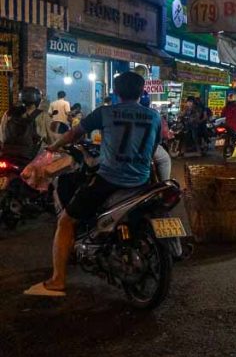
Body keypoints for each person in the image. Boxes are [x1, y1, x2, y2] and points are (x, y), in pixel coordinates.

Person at [24, 72, 161, 297]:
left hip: (110, 179)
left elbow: (73, 134)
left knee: (66, 221)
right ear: (141, 91)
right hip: (142, 181)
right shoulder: (154, 117)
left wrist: (53, 147)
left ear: (116, 92)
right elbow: (154, 149)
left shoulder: (105, 112)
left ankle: (58, 279)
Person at [0, 88, 44, 163]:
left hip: (8, 154)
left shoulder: (8, 113)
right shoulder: (42, 116)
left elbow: (2, 136)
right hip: (32, 159)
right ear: (38, 100)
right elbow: (53, 138)